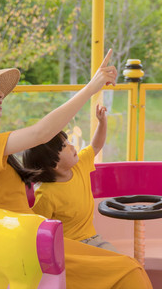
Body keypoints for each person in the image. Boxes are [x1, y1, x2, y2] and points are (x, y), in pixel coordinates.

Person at [0, 51, 152, 289]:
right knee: (129, 272)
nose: (0, 94)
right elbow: (41, 133)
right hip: (24, 252)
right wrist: (91, 88)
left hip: (24, 246)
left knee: (127, 268)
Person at [22, 104, 118, 252]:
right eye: (64, 146)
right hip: (66, 248)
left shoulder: (79, 165)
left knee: (123, 261)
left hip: (93, 239)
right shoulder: (45, 194)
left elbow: (96, 146)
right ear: (53, 164)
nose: (71, 145)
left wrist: (102, 122)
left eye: (67, 141)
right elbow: (37, 230)